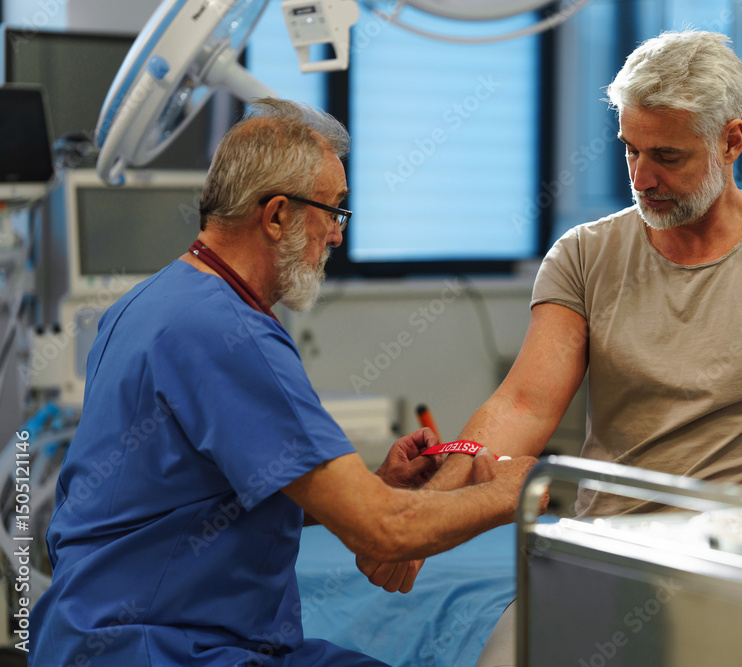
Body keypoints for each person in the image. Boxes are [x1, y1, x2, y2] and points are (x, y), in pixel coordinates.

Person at [356, 30, 742, 665]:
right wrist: (416, 523)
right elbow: (520, 407)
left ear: (730, 141)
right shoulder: (584, 256)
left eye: (668, 157)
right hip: (605, 559)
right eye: (630, 151)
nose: (642, 178)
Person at [28, 98, 537, 667]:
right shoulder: (230, 335)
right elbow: (384, 532)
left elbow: (198, 500)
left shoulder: (146, 304)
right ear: (275, 216)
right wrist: (514, 492)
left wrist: (374, 483)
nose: (338, 237)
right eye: (335, 212)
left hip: (89, 634)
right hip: (157, 647)